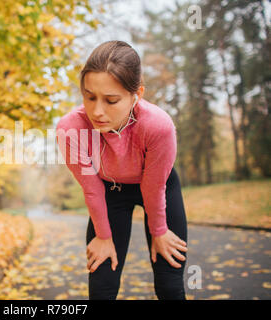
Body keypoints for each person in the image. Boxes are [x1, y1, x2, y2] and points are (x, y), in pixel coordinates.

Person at [55, 40, 188, 300]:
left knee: (169, 283)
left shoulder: (158, 126)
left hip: (158, 187)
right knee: (102, 284)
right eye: (89, 97)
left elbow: (153, 186)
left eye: (111, 100)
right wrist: (103, 236)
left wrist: (158, 230)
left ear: (136, 94)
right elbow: (91, 187)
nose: (97, 111)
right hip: (109, 192)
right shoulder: (70, 128)